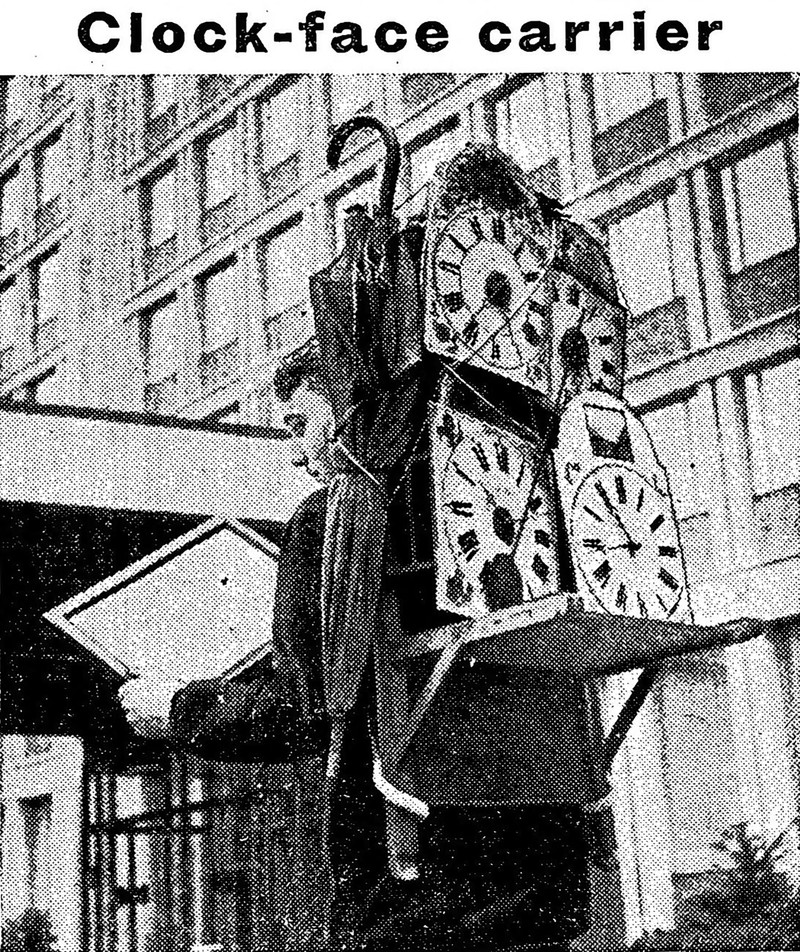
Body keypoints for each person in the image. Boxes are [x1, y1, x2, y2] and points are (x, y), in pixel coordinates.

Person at [120, 340, 614, 952]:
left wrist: (178, 708)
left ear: (344, 414)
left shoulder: (340, 517)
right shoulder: (535, 477)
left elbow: (310, 699)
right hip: (550, 841)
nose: (295, 449)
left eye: (299, 423)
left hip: (422, 862)